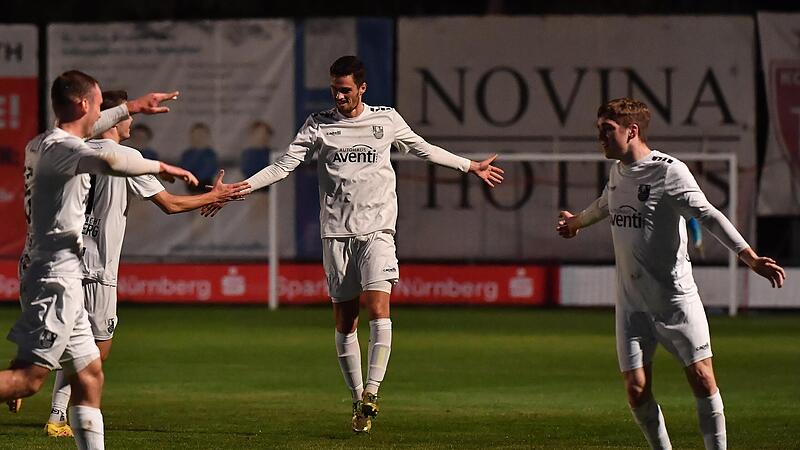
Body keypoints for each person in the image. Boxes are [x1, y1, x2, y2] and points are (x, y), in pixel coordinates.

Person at [203, 55, 504, 433]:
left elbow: (423, 149)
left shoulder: (386, 120)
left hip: (378, 231)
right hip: (336, 234)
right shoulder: (319, 124)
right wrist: (237, 190)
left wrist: (469, 165)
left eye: (345, 90)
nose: (339, 96)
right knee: (346, 322)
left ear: (362, 88)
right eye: (334, 89)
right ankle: (358, 398)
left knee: (379, 307)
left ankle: (373, 391)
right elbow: (283, 167)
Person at [556, 98, 786, 450]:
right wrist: (577, 223)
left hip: (675, 302)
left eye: (607, 129)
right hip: (632, 305)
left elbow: (709, 216)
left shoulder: (669, 171)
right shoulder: (617, 172)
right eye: (599, 129)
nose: (600, 137)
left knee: (703, 379)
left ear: (632, 131)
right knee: (636, 390)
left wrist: (750, 258)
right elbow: (606, 204)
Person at [0, 70, 198, 450]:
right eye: (96, 103)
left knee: (90, 375)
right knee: (29, 380)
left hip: (60, 272)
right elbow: (110, 160)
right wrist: (163, 167)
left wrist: (133, 106)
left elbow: (97, 133)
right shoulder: (68, 151)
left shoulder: (42, 142)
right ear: (83, 105)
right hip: (55, 277)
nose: (101, 113)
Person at [39, 89, 250, 438]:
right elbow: (170, 204)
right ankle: (33, 382)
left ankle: (54, 413)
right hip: (97, 270)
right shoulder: (124, 156)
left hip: (63, 262)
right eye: (127, 115)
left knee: (77, 345)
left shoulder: (73, 150)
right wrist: (214, 195)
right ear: (114, 119)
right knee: (94, 354)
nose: (131, 122)